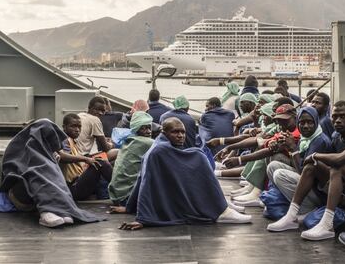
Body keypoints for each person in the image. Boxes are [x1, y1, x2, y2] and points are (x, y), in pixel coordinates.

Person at [267, 101, 345, 241]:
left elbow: (339, 159)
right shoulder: (336, 137)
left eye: (343, 116)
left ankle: (327, 224)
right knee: (311, 166)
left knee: (336, 166)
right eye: (334, 116)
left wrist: (315, 155)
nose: (338, 120)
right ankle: (291, 216)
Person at [118, 117, 252, 230]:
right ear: (164, 132)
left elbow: (142, 178)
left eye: (183, 132)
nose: (181, 135)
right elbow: (146, 182)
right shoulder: (160, 150)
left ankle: (219, 202)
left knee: (197, 154)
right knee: (198, 156)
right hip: (169, 205)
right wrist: (143, 218)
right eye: (175, 132)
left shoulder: (160, 146)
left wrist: (130, 207)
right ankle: (221, 210)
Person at [0, 119, 104, 228]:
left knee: (54, 175)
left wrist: (53, 162)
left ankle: (60, 209)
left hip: (33, 198)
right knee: (38, 173)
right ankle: (46, 212)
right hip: (20, 196)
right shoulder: (21, 149)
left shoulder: (46, 152)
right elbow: (11, 170)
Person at [266, 106, 332, 214]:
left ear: (316, 122)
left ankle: (306, 210)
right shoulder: (306, 138)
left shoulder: (319, 141)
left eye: (310, 122)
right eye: (302, 122)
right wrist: (282, 146)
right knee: (272, 166)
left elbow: (304, 172)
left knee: (279, 174)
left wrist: (293, 148)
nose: (306, 126)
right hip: (308, 183)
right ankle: (287, 201)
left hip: (317, 192)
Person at [59, 113, 113, 201]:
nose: (77, 130)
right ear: (64, 127)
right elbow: (62, 157)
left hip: (77, 182)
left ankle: (105, 195)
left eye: (79, 127)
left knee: (99, 161)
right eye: (73, 126)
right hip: (71, 188)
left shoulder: (72, 141)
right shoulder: (64, 140)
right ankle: (122, 193)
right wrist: (86, 159)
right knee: (100, 163)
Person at [108, 111, 154, 209]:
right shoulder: (147, 142)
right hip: (127, 198)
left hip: (116, 196)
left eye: (149, 127)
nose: (148, 131)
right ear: (136, 129)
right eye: (144, 128)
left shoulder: (129, 140)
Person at [76, 96, 118, 161]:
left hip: (74, 155)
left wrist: (105, 139)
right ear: (90, 107)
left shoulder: (80, 115)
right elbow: (106, 148)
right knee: (118, 152)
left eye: (103, 111)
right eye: (97, 109)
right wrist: (112, 144)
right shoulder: (95, 120)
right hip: (83, 158)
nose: (100, 113)